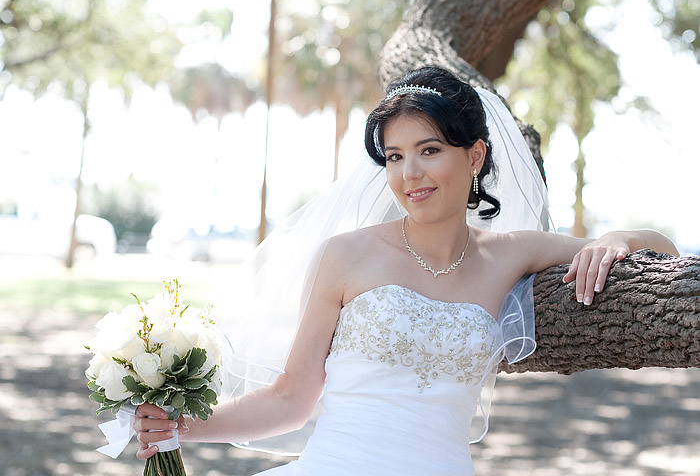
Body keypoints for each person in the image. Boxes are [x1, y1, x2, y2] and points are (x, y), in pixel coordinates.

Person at [132, 67, 678, 475]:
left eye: (429, 150)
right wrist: (182, 427)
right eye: (394, 156)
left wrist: (616, 239)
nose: (409, 173)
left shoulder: (511, 253)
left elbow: (661, 247)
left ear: (476, 156)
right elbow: (290, 400)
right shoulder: (346, 256)